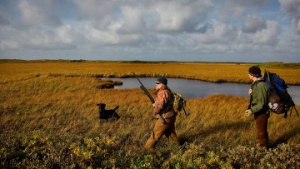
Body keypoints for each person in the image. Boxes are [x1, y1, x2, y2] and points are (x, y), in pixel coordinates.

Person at [144, 76, 180, 149]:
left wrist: (155, 111)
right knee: (170, 134)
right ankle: (177, 148)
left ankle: (146, 150)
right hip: (171, 117)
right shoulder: (167, 90)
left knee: (154, 135)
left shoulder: (162, 92)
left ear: (163, 84)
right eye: (156, 83)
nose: (156, 84)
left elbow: (159, 106)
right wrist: (155, 104)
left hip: (165, 118)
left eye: (158, 83)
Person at [245, 66, 270, 148]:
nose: (248, 74)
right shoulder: (256, 83)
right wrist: (252, 93)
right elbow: (259, 97)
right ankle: (263, 146)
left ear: (252, 75)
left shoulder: (261, 85)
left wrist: (251, 110)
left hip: (262, 112)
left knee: (261, 132)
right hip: (259, 111)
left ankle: (263, 149)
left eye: (249, 73)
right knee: (261, 130)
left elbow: (262, 103)